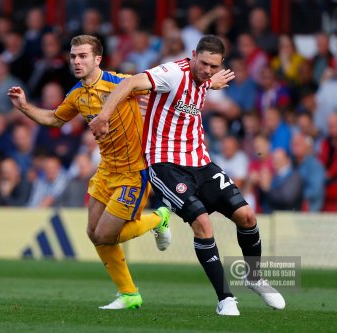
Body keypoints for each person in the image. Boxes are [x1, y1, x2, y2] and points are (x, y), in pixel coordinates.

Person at [90, 35, 285, 316]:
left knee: (247, 216)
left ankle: (253, 277)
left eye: (214, 66)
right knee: (203, 224)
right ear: (193, 55)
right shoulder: (171, 73)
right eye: (203, 63)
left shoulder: (206, 79)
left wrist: (211, 82)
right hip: (165, 165)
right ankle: (225, 299)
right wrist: (104, 116)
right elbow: (131, 82)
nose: (207, 70)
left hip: (200, 162)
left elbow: (202, 84)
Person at [8, 35, 170, 310]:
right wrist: (24, 107)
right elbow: (54, 119)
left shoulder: (122, 83)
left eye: (83, 56)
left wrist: (206, 84)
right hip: (106, 170)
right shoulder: (77, 94)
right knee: (94, 233)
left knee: (107, 234)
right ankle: (129, 295)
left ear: (98, 59)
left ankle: (158, 219)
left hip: (134, 171)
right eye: (73, 56)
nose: (76, 61)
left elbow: (164, 91)